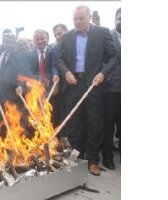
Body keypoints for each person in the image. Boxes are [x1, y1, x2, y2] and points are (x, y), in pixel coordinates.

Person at [58, 5, 118, 176]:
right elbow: (60, 59)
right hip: (73, 83)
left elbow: (114, 57)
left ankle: (93, 161)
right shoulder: (68, 36)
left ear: (89, 17)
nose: (78, 22)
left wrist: (103, 73)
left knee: (94, 123)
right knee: (73, 125)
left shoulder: (102, 33)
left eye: (81, 18)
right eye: (75, 19)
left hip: (94, 83)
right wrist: (66, 72)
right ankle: (74, 159)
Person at [101, 7, 121, 170]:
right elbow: (103, 58)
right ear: (115, 20)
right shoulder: (108, 35)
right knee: (108, 123)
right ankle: (107, 156)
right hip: (111, 87)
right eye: (120, 18)